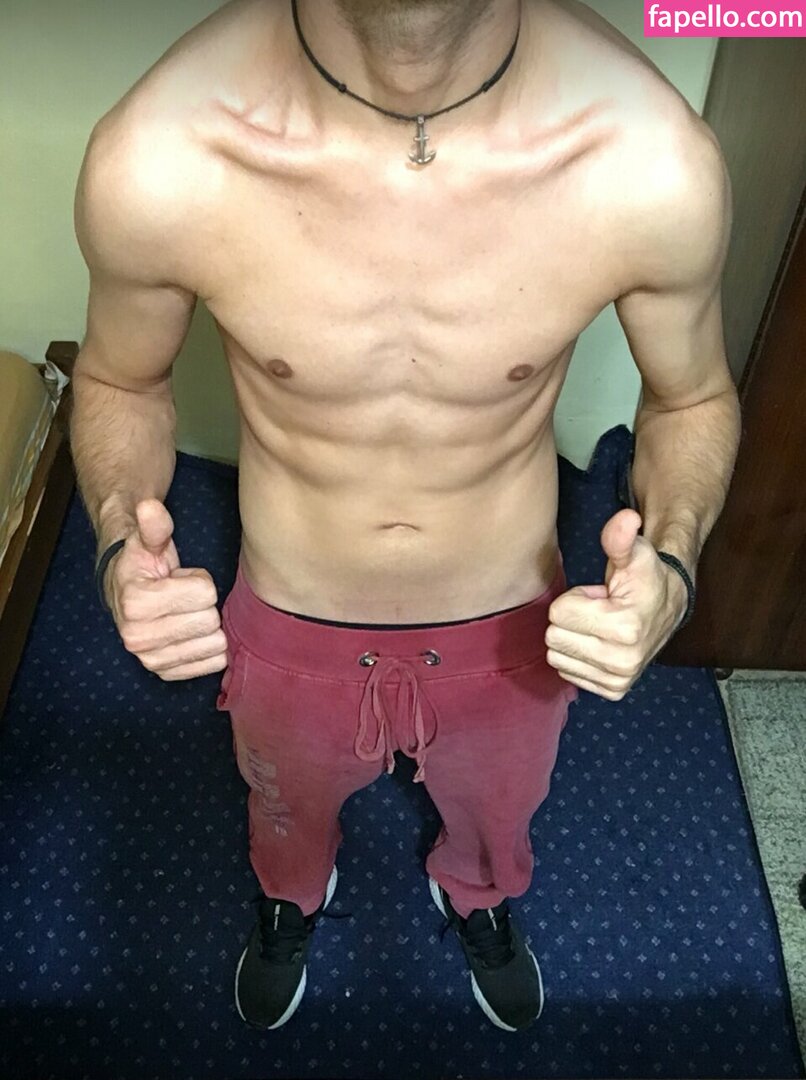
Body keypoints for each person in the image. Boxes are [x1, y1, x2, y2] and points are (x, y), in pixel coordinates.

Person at [70, 0, 741, 1033]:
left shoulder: (647, 161)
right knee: (283, 808)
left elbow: (692, 399)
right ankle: (292, 895)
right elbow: (119, 378)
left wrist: (675, 561)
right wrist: (120, 536)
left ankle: (477, 894)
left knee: (497, 815)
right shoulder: (163, 155)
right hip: (290, 606)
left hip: (511, 618)